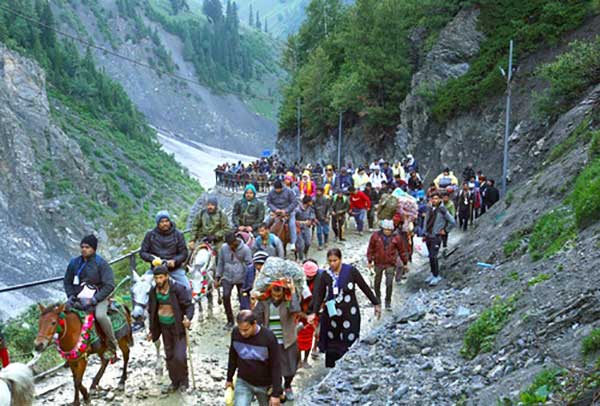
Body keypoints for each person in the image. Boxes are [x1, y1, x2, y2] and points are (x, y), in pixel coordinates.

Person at [307, 248, 381, 368]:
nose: (332, 264)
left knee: (348, 338)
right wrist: (314, 312)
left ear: (340, 260)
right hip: (332, 314)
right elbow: (319, 295)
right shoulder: (326, 275)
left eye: (335, 260)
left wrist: (376, 303)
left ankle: (348, 367)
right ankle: (332, 369)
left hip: (349, 313)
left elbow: (364, 287)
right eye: (330, 261)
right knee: (333, 339)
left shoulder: (351, 271)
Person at [64, 234, 118, 360]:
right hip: (78, 298)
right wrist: (71, 295)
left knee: (100, 316)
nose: (84, 249)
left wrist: (96, 299)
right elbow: (67, 281)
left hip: (99, 297)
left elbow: (109, 285)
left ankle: (112, 344)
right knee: (63, 316)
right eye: (82, 247)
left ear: (93, 249)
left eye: (87, 247)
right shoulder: (74, 263)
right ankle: (69, 349)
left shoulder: (101, 264)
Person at [147, 265, 194, 393]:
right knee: (169, 355)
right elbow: (151, 311)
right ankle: (174, 381)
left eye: (161, 277)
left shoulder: (178, 289)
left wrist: (188, 319)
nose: (158, 281)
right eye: (156, 278)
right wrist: (152, 330)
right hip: (164, 326)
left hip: (177, 326)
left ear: (167, 276)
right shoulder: (153, 291)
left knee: (179, 356)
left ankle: (184, 380)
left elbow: (189, 306)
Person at [253, 279, 301, 401]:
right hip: (271, 341)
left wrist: (293, 290)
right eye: (274, 293)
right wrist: (254, 301)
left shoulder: (289, 301)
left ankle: (288, 385)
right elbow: (256, 318)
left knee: (290, 368)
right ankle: (276, 387)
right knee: (272, 367)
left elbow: (296, 310)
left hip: (288, 340)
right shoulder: (264, 302)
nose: (276, 296)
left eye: (279, 294)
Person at [226, 310, 282, 406]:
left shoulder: (268, 337)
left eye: (246, 330)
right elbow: (232, 356)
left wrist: (276, 394)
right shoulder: (235, 333)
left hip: (265, 385)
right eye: (240, 329)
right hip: (244, 381)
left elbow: (276, 365)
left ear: (254, 324)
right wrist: (229, 378)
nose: (242, 333)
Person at [141, 211, 189, 290]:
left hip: (174, 270)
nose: (165, 224)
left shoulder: (178, 234)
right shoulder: (150, 235)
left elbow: (184, 253)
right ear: (158, 223)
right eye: (162, 222)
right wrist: (152, 259)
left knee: (187, 288)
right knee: (142, 287)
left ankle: (187, 302)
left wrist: (175, 261)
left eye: (167, 221)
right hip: (155, 270)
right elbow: (143, 252)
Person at [367, 220, 409, 309]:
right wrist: (370, 261)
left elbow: (402, 251)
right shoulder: (375, 236)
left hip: (390, 263)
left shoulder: (396, 238)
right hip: (378, 262)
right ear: (382, 229)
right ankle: (377, 299)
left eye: (389, 230)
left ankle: (388, 301)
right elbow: (371, 248)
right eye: (385, 229)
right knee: (377, 282)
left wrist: (405, 262)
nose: (387, 232)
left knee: (389, 283)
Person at [216, 233, 253, 328]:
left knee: (243, 299)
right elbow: (220, 262)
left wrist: (249, 281)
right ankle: (230, 320)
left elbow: (250, 265)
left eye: (231, 244)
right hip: (227, 276)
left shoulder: (245, 249)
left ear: (235, 241)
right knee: (225, 296)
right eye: (228, 244)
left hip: (241, 277)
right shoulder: (224, 248)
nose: (230, 246)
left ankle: (244, 320)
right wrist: (218, 277)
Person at [423, 192, 456, 286]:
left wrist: (445, 230)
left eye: (436, 198)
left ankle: (436, 275)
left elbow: (453, 221)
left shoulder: (442, 210)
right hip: (428, 235)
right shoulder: (429, 208)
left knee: (434, 256)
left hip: (436, 237)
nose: (434, 200)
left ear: (440, 199)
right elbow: (426, 221)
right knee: (430, 256)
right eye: (433, 198)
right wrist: (424, 232)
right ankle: (432, 273)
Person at [297, 260, 320, 369]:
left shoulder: (318, 283)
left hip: (312, 314)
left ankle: (305, 360)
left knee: (308, 339)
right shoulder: (297, 283)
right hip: (299, 314)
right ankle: (298, 361)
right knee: (297, 340)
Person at [267, 180, 299, 253]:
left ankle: (293, 243)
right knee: (266, 220)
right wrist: (275, 209)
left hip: (288, 212)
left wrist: (286, 210)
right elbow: (269, 202)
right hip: (276, 211)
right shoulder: (271, 192)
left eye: (279, 189)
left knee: (292, 224)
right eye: (276, 189)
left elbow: (294, 202)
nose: (277, 190)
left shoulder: (289, 191)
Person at [294, 196, 316, 261]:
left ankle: (305, 254)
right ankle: (301, 258)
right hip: (298, 229)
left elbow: (312, 214)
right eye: (310, 201)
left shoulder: (310, 208)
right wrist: (302, 222)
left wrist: (311, 220)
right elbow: (293, 219)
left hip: (306, 228)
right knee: (300, 245)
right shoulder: (297, 209)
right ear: (308, 202)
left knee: (308, 243)